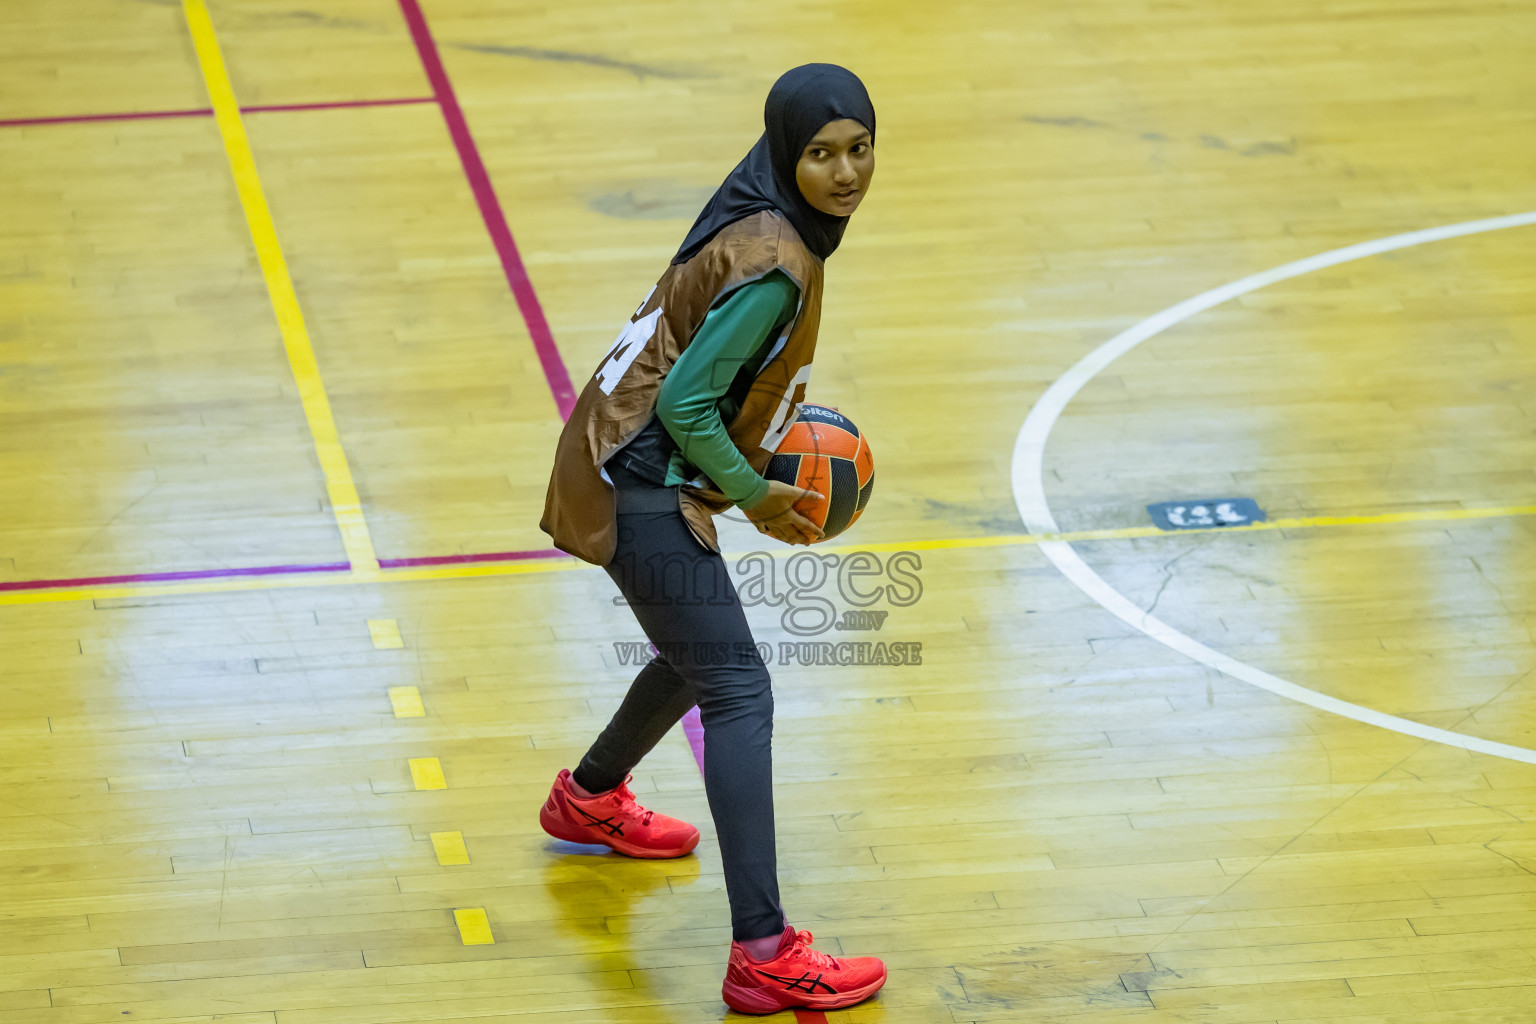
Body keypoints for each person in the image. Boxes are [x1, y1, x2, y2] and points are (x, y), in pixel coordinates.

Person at [538, 63, 886, 1015]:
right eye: (821, 154)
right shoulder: (778, 266)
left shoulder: (758, 208)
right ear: (787, 153)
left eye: (860, 150)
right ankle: (764, 955)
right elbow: (691, 403)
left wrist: (744, 475)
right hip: (636, 479)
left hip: (620, 452)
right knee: (740, 689)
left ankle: (590, 798)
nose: (845, 172)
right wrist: (761, 498)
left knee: (702, 655)